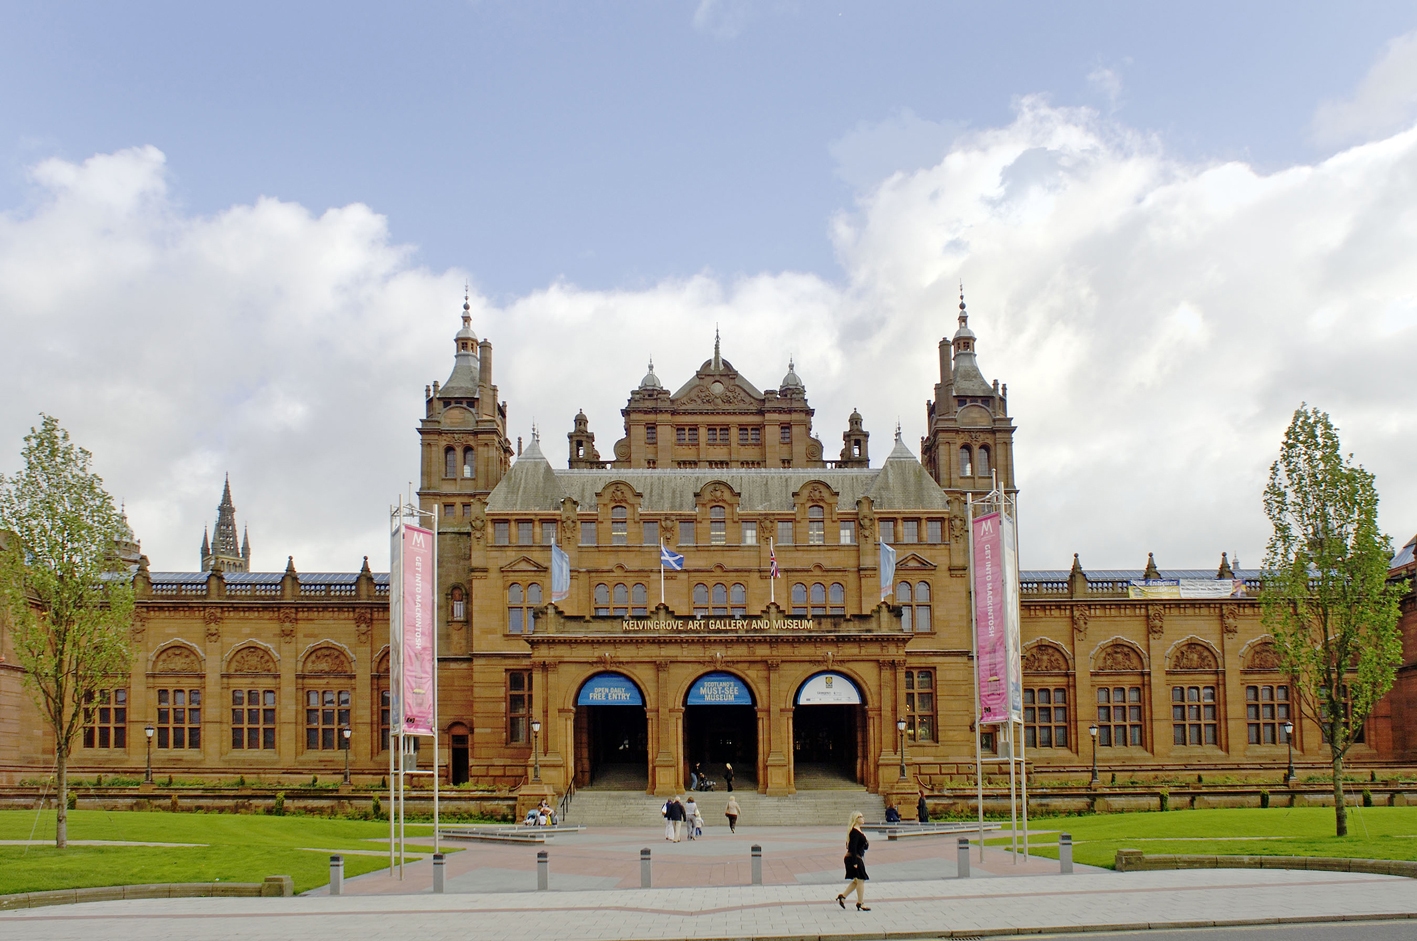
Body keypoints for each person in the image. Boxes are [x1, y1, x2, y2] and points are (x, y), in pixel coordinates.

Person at [836, 811, 870, 912]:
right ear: (856, 819)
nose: (863, 818)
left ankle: (843, 896)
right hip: (853, 858)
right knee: (860, 879)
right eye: (860, 816)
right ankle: (860, 903)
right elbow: (853, 847)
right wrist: (855, 862)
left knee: (857, 881)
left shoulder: (858, 830)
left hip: (854, 857)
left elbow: (862, 846)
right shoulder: (855, 832)